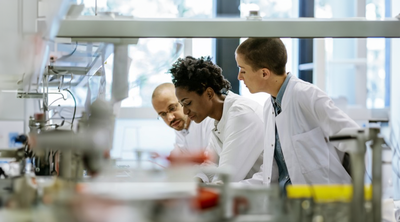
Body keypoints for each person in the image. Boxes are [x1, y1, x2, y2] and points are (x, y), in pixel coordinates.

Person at [235, 37, 360, 189]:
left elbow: (356, 140)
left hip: (328, 202)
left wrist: (357, 195)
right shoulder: (269, 106)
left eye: (243, 70)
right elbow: (273, 172)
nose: (239, 77)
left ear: (264, 73)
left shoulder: (307, 95)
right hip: (289, 205)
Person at [169, 56, 264, 184]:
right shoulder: (219, 119)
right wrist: (196, 181)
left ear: (209, 93)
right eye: (182, 105)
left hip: (262, 198)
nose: (185, 112)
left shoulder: (241, 114)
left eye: (188, 103)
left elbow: (225, 177)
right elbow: (210, 165)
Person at [152, 83, 214, 156]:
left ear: (183, 101)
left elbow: (212, 162)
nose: (170, 118)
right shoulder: (181, 129)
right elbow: (177, 159)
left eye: (172, 108)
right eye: (163, 114)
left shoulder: (208, 121)